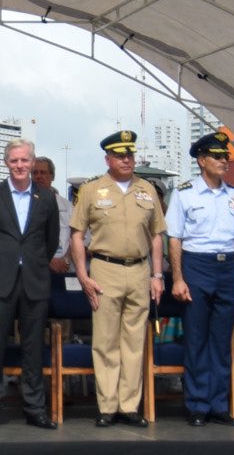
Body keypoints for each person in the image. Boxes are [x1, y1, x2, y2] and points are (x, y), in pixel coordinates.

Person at [71, 130, 169, 426]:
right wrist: (82, 274)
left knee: (134, 341)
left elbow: (156, 236)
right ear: (108, 159)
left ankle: (129, 406)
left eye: (130, 155)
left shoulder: (147, 189)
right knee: (105, 340)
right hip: (105, 268)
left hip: (139, 270)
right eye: (120, 155)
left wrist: (157, 275)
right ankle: (107, 406)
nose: (127, 160)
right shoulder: (91, 189)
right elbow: (77, 235)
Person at [0, 138, 60, 430]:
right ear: (6, 163)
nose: (20, 166)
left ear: (33, 162)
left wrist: (32, 262)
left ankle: (35, 408)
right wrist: (2, 262)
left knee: (34, 348)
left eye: (25, 161)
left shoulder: (46, 198)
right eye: (15, 161)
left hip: (34, 280)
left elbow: (50, 242)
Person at [165, 133, 234, 425]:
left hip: (227, 266)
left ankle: (219, 403)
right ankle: (198, 404)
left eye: (225, 156)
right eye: (217, 156)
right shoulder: (184, 193)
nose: (224, 161)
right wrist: (178, 278)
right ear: (201, 161)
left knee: (221, 338)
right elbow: (174, 239)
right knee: (197, 337)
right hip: (196, 264)